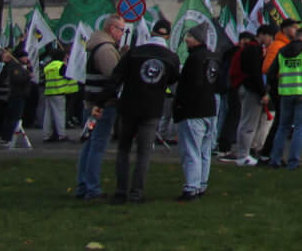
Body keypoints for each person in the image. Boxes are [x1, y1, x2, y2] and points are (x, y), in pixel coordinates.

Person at [107, 18, 179, 204]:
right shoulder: (171, 58)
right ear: (168, 36)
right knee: (144, 153)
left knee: (123, 149)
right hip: (152, 109)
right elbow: (172, 83)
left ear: (152, 32)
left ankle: (121, 191)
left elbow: (116, 77)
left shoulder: (134, 53)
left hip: (129, 105)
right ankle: (136, 192)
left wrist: (103, 100)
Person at [72, 15, 126, 201]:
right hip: (102, 105)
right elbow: (115, 76)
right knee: (97, 146)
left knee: (89, 145)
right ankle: (92, 188)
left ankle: (83, 185)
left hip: (91, 102)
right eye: (121, 30)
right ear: (112, 29)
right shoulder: (106, 49)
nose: (122, 34)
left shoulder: (96, 45)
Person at [173, 23, 220, 200]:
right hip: (210, 108)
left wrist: (179, 106)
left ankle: (191, 187)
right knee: (204, 150)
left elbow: (188, 85)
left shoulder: (194, 59)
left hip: (194, 110)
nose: (186, 40)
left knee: (191, 149)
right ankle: (201, 184)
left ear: (197, 40)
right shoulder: (213, 57)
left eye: (190, 37)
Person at [267, 25, 302, 170]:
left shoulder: (282, 51)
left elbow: (271, 74)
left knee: (282, 127)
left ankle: (275, 159)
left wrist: (278, 87)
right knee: (299, 129)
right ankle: (293, 161)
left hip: (285, 93)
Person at [230, 25, 270, 165]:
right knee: (249, 123)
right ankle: (243, 155)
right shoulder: (255, 49)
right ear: (263, 35)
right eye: (269, 36)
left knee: (245, 121)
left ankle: (243, 153)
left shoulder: (248, 48)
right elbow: (255, 73)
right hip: (251, 89)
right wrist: (262, 92)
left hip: (243, 87)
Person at [40, 47, 76, 143]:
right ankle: (61, 135)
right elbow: (69, 77)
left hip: (49, 92)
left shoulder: (48, 66)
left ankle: (46, 135)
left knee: (48, 115)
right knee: (60, 114)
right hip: (59, 93)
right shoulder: (61, 66)